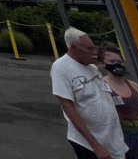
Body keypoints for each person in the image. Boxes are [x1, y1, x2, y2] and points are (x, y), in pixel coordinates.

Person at [51, 27, 129, 159]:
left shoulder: (91, 66)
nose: (93, 52)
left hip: (110, 137)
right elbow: (68, 107)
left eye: (93, 48)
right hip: (89, 142)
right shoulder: (61, 67)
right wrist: (96, 146)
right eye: (89, 49)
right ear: (74, 48)